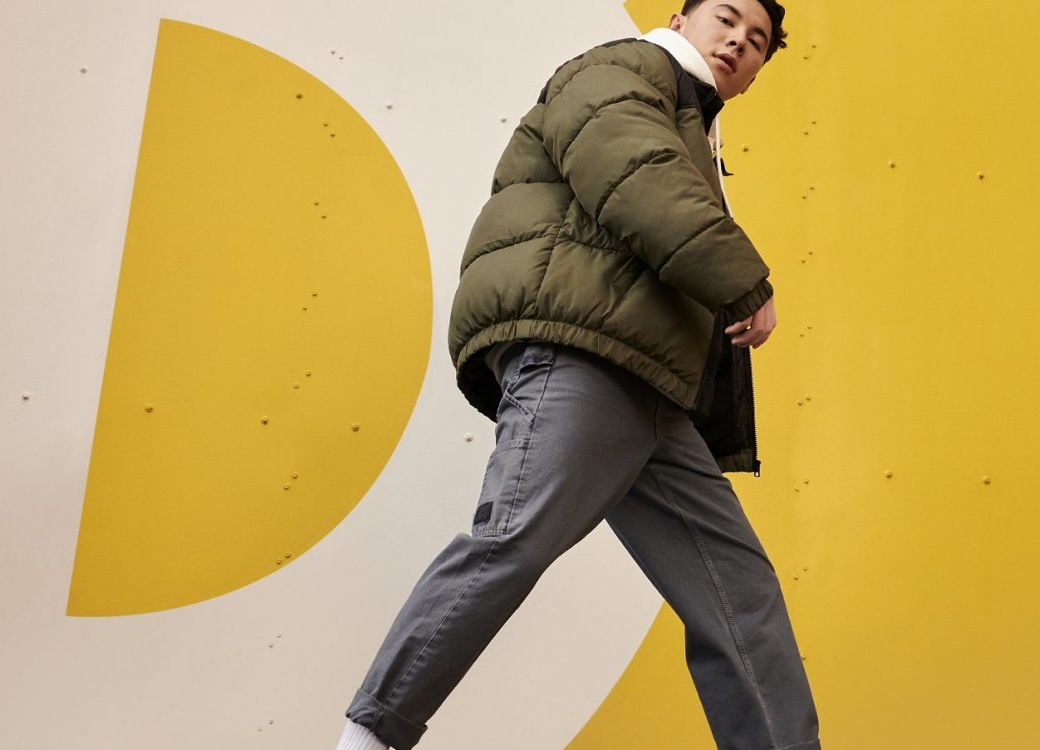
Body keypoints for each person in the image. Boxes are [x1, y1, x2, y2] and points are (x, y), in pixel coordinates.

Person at [335, 2, 818, 748]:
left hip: (649, 389)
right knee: (514, 538)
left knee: (738, 592)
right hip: (586, 351)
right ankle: (370, 736)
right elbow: (636, 173)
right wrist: (743, 280)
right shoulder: (624, 68)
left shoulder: (692, 120)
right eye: (726, 19)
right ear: (679, 22)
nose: (738, 42)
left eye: (757, 42)